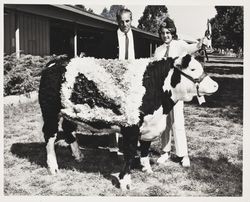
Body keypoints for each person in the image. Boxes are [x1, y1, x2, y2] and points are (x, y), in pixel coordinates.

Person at [139, 17, 203, 173]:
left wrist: (201, 42)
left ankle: (183, 155)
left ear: (173, 33)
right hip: (162, 93)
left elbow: (194, 47)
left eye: (168, 32)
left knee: (177, 123)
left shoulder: (179, 45)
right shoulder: (159, 50)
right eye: (162, 33)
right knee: (163, 124)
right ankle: (165, 151)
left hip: (176, 91)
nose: (165, 35)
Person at [108, 8, 137, 155]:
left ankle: (132, 142)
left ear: (131, 20)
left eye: (127, 21)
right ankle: (115, 142)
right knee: (116, 109)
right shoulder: (109, 37)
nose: (125, 24)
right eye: (121, 21)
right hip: (115, 79)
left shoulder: (139, 38)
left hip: (133, 79)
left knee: (132, 110)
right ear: (117, 21)